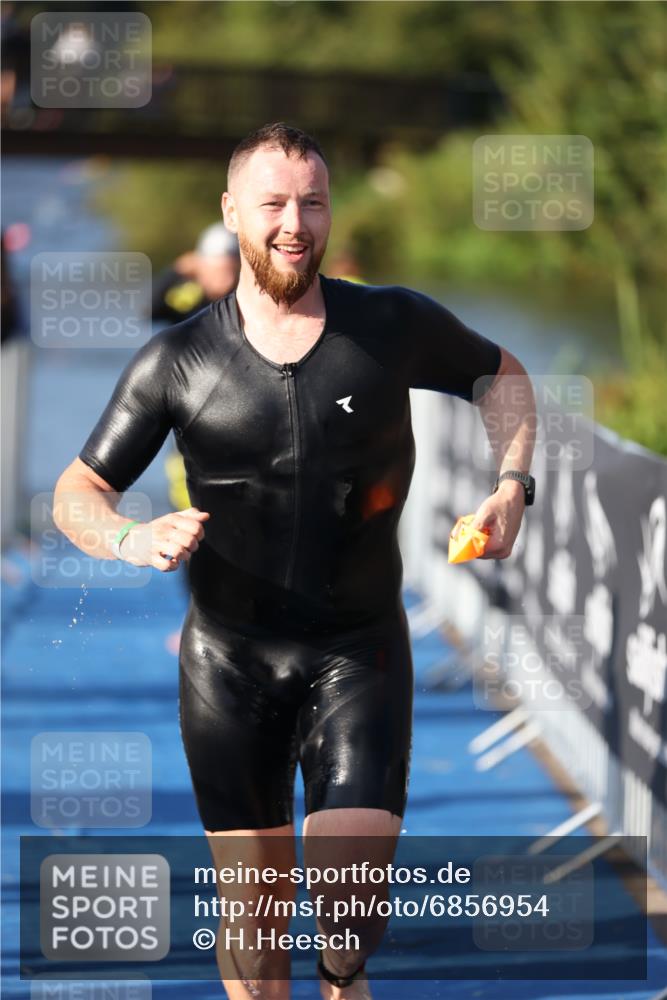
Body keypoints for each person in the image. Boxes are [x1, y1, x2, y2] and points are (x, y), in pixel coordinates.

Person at [53, 123, 536, 1000]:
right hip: (228, 662)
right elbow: (77, 491)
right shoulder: (177, 360)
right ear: (231, 211)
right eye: (272, 202)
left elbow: (500, 376)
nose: (293, 223)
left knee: (349, 911)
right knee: (254, 922)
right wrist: (128, 537)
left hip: (357, 650)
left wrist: (510, 485)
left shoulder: (388, 324)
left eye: (312, 202)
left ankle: (343, 974)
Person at [151, 220, 240, 324]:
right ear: (200, 267)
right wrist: (176, 271)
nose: (227, 280)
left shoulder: (240, 301)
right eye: (217, 272)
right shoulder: (190, 298)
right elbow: (150, 311)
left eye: (231, 271)